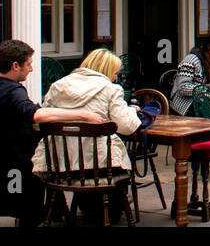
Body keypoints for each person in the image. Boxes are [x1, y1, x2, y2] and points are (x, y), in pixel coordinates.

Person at [0, 40, 102, 226]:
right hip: (10, 178)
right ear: (15, 66)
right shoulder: (13, 91)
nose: (31, 69)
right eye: (29, 64)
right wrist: (83, 114)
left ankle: (55, 211)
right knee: (49, 163)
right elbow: (35, 114)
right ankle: (49, 212)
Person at [33, 48, 142, 223]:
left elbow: (46, 118)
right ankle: (109, 211)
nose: (115, 78)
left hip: (61, 165)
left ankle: (85, 207)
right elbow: (127, 126)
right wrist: (132, 111)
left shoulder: (58, 86)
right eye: (114, 73)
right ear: (107, 71)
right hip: (100, 166)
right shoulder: (110, 89)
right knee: (116, 166)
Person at [170, 29, 210, 116]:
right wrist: (206, 88)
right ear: (209, 47)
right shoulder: (191, 60)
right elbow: (183, 87)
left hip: (203, 101)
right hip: (184, 103)